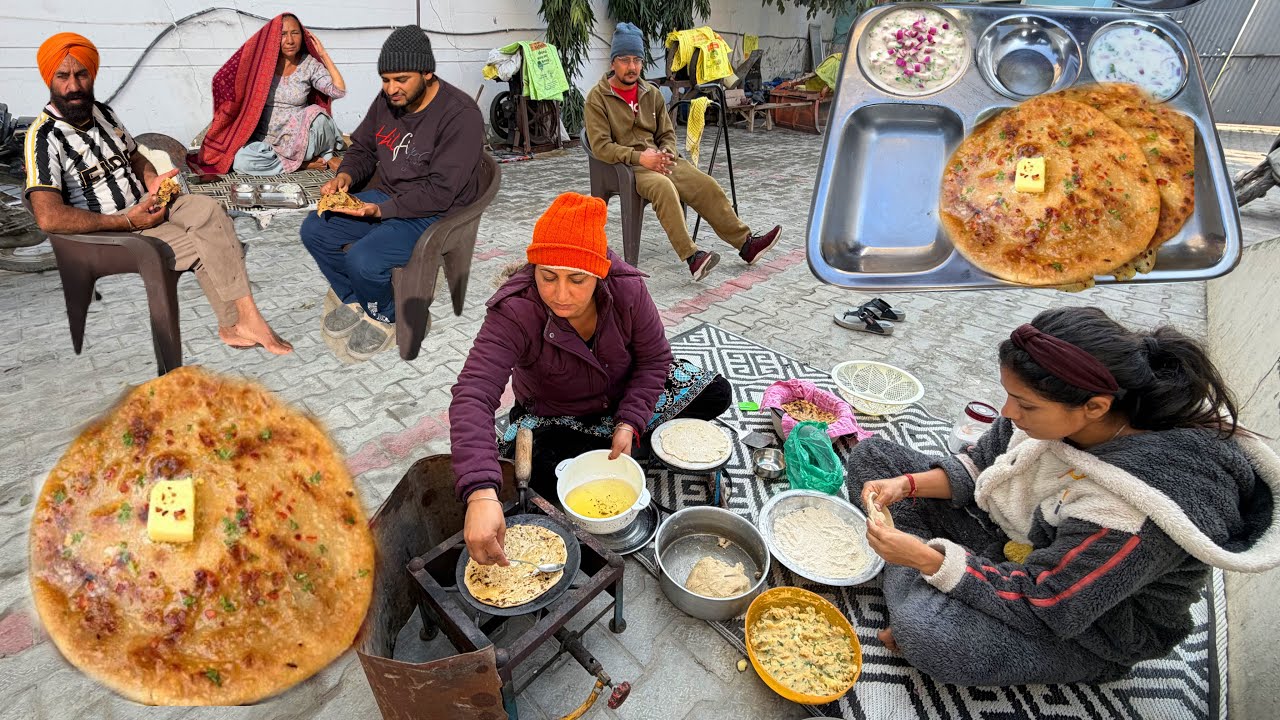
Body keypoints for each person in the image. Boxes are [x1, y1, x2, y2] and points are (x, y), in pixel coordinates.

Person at [848, 307, 1280, 686]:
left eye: (1025, 405)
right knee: (873, 458)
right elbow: (984, 466)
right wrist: (907, 485)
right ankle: (930, 582)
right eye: (1010, 397)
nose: (1008, 413)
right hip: (1013, 546)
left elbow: (1050, 602)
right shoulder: (1048, 414)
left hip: (1087, 621)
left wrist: (927, 560)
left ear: (1094, 408)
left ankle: (917, 591)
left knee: (932, 636)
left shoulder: (1133, 512)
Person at [450, 192, 732, 566]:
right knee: (532, 475)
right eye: (548, 276)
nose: (561, 294)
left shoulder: (626, 289)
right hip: (556, 414)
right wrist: (479, 493)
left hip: (621, 397)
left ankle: (620, 442)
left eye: (577, 280)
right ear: (534, 269)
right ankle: (624, 448)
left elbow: (654, 360)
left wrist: (631, 418)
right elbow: (472, 393)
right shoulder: (515, 310)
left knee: (715, 392)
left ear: (599, 273)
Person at [25, 33, 292, 355]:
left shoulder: (103, 113)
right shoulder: (43, 137)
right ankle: (242, 321)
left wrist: (152, 181)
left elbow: (135, 156)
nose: (73, 86)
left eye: (81, 74)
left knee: (208, 210)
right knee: (214, 241)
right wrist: (124, 221)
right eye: (63, 76)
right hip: (106, 234)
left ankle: (238, 324)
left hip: (147, 208)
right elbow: (48, 217)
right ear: (49, 79)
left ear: (91, 75)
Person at [299, 25, 485, 361]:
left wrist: (377, 212)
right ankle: (354, 298)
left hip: (437, 213)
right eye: (385, 79)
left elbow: (441, 192)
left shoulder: (461, 116)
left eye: (400, 79)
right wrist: (345, 176)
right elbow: (363, 148)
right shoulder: (388, 101)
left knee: (364, 258)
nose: (391, 88)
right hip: (389, 196)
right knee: (316, 228)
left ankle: (387, 314)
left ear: (427, 73)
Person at [584, 22, 782, 281]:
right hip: (626, 167)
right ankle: (692, 257)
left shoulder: (651, 93)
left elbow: (666, 133)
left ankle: (746, 244)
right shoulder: (597, 97)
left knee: (705, 185)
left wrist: (666, 150)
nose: (631, 67)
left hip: (659, 159)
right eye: (624, 60)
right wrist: (640, 157)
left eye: (637, 60)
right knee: (664, 188)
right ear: (613, 62)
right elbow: (600, 146)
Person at [194, 13, 346, 176]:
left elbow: (338, 91)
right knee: (241, 161)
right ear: (273, 37)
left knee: (320, 119)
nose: (290, 40)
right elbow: (224, 78)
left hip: (299, 139)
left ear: (303, 36)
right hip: (267, 141)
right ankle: (301, 164)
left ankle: (306, 158)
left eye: (295, 33)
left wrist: (323, 54)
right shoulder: (262, 64)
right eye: (283, 34)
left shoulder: (309, 64)